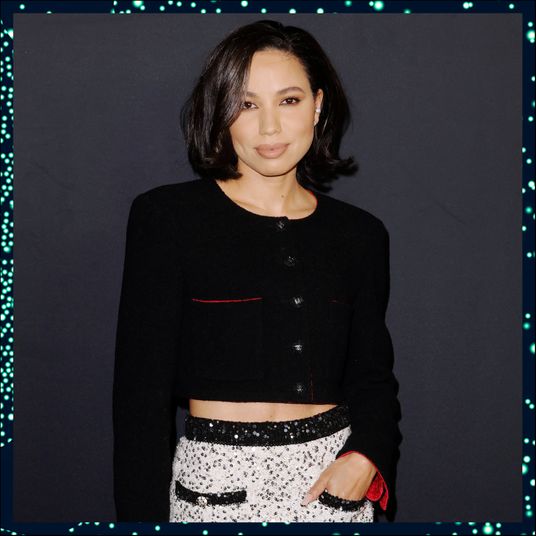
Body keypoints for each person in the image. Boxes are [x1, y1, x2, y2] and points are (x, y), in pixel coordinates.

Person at [112, 19, 402, 523]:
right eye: (247, 105)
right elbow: (140, 397)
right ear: (221, 112)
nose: (270, 128)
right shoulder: (168, 218)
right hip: (213, 489)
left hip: (333, 487)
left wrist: (366, 457)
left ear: (317, 105)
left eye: (288, 100)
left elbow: (372, 375)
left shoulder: (360, 234)